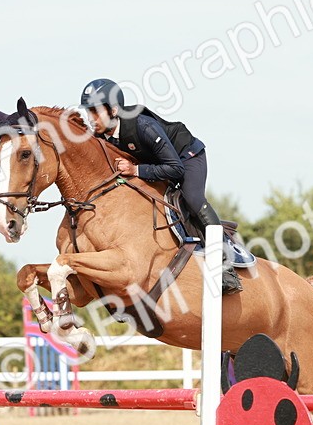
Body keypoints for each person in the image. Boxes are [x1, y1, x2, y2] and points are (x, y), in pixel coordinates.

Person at [79, 78, 243, 295]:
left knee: (192, 198)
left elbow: (176, 169)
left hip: (185, 157)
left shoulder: (143, 126)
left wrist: (136, 170)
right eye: (88, 112)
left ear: (114, 110)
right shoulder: (100, 137)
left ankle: (226, 264)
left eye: (95, 111)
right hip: (157, 163)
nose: (91, 118)